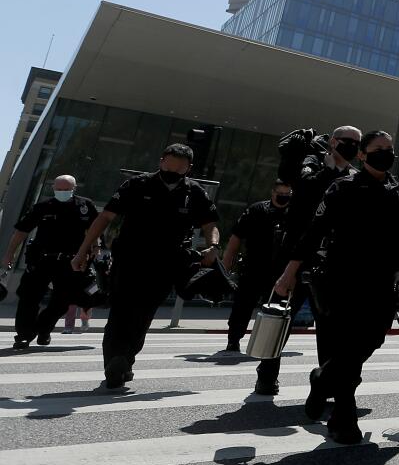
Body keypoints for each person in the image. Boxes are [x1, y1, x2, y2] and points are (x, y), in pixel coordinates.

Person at [274, 130, 399, 444]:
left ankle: (321, 378)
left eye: (389, 149)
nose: (385, 153)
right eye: (378, 149)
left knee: (371, 340)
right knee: (347, 347)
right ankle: (343, 419)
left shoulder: (398, 191)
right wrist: (289, 273)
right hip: (342, 280)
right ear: (362, 154)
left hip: (381, 282)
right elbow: (314, 231)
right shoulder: (343, 187)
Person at [71, 144, 220, 391]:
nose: (172, 172)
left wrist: (213, 246)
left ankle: (126, 359)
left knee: (143, 314)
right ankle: (114, 364)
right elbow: (105, 217)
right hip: (130, 259)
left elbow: (210, 224)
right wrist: (83, 250)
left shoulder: (194, 192)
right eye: (169, 166)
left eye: (179, 169)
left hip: (166, 264)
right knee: (120, 311)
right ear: (161, 161)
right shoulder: (137, 184)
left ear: (188, 168)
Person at [255, 125, 360, 395]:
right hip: (295, 255)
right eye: (348, 141)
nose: (352, 147)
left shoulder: (354, 176)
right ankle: (266, 375)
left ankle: (328, 380)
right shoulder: (312, 162)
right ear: (334, 141)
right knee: (279, 316)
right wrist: (324, 165)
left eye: (357, 143)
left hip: (331, 261)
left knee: (331, 325)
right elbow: (303, 187)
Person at [3, 175, 98, 349]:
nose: (62, 192)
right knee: (28, 298)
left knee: (62, 301)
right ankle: (24, 335)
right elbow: (21, 231)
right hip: (41, 260)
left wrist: (93, 253)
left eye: (66, 189)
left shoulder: (85, 206)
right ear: (53, 188)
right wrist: (9, 254)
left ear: (74, 188)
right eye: (59, 189)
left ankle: (43, 329)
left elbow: (95, 231)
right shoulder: (42, 207)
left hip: (71, 262)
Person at [220, 180, 292, 355]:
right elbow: (236, 237)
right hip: (253, 268)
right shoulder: (257, 210)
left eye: (287, 195)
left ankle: (271, 346)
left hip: (279, 273)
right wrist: (226, 262)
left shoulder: (295, 214)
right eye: (279, 194)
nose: (282, 198)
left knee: (278, 310)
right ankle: (233, 340)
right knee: (242, 307)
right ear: (272, 192)